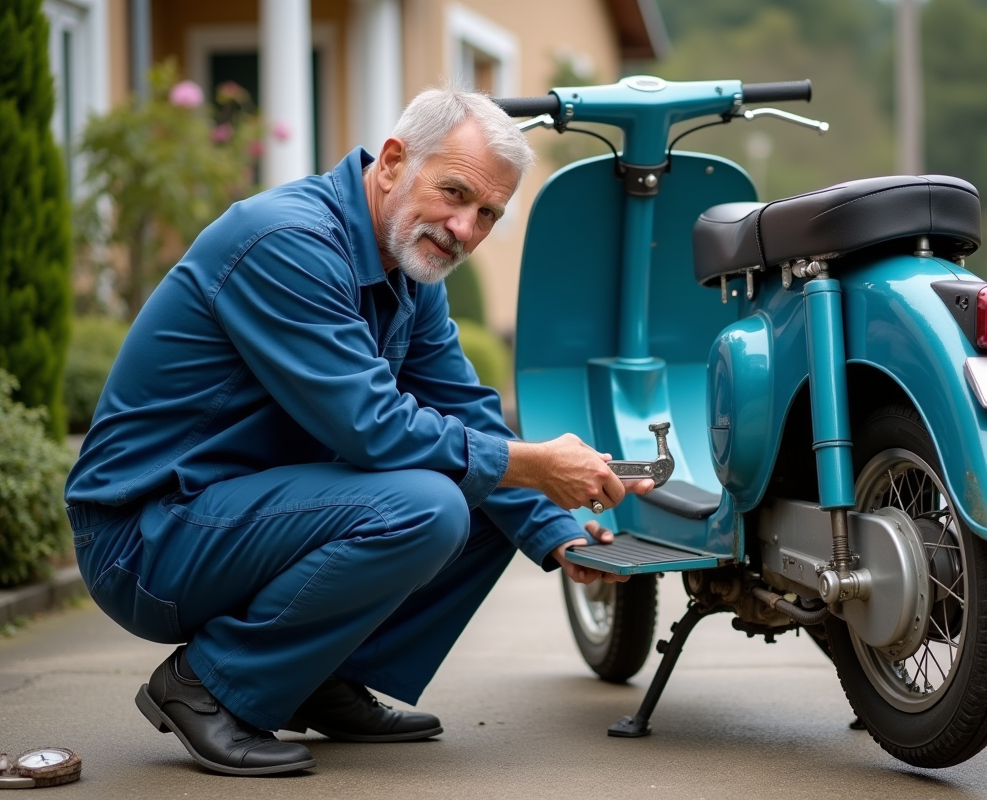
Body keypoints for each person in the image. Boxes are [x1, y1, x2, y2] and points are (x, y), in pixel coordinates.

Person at [64, 87, 654, 777]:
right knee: (433, 505)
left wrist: (555, 532)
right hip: (145, 538)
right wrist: (533, 465)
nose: (465, 228)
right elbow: (372, 429)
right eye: (455, 193)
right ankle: (208, 686)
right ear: (395, 160)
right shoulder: (287, 242)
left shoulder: (409, 272)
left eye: (488, 213)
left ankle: (312, 676)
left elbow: (465, 412)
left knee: (490, 492)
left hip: (236, 514)